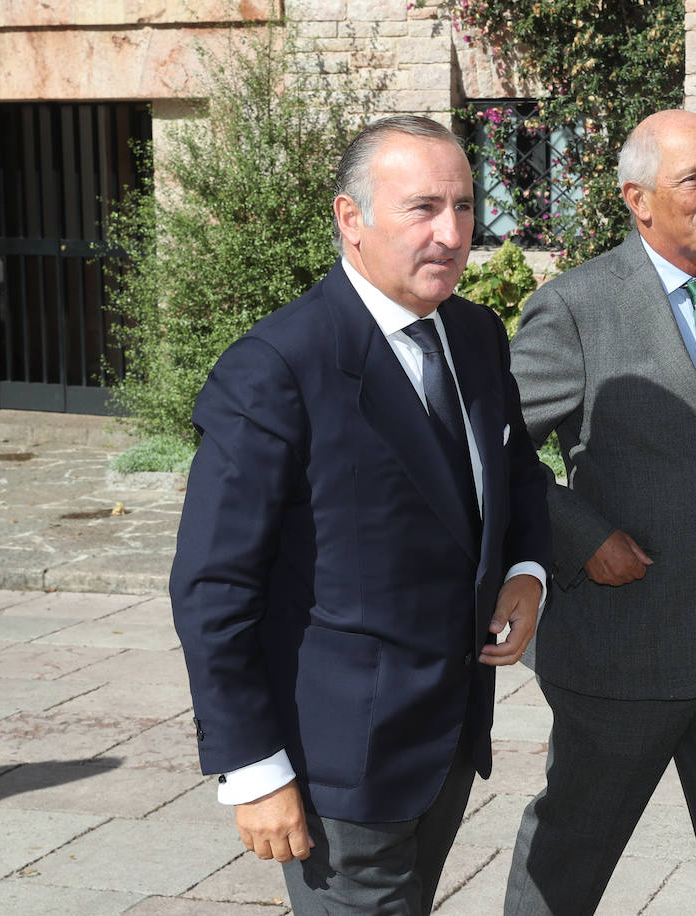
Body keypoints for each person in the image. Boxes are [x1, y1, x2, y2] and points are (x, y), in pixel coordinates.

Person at [169, 116, 552, 913]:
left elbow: (514, 472)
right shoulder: (276, 368)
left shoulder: (476, 335)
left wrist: (526, 570)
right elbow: (214, 584)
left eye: (465, 206)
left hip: (447, 738)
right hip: (339, 763)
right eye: (422, 208)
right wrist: (255, 767)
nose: (451, 234)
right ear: (352, 220)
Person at [503, 109, 696, 915]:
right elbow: (494, 452)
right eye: (694, 180)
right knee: (569, 857)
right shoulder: (576, 307)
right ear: (638, 199)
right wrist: (581, 533)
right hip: (622, 646)